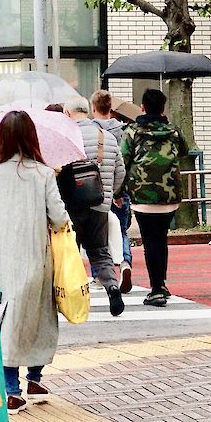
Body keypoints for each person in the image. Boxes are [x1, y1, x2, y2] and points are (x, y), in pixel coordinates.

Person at [0, 110, 71, 411]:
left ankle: (11, 389)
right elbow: (58, 217)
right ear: (31, 138)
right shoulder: (43, 174)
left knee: (5, 323)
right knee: (38, 318)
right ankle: (35, 377)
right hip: (34, 259)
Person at [120, 89, 185, 307]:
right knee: (162, 238)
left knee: (150, 242)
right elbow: (185, 151)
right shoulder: (173, 131)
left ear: (142, 107)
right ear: (163, 108)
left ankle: (156, 288)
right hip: (170, 196)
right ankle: (161, 283)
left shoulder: (132, 132)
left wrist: (119, 192)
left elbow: (123, 162)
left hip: (142, 195)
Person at [63, 97, 126, 316]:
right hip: (100, 205)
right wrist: (108, 194)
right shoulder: (106, 137)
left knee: (71, 252)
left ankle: (76, 296)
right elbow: (121, 172)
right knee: (100, 251)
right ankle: (112, 286)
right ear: (87, 111)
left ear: (68, 114)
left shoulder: (66, 138)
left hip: (72, 206)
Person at [92, 89, 134, 290]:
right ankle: (125, 263)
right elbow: (123, 166)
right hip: (118, 190)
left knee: (98, 235)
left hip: (95, 192)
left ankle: (100, 275)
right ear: (111, 108)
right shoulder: (123, 131)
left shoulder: (91, 131)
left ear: (94, 108)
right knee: (122, 231)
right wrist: (118, 192)